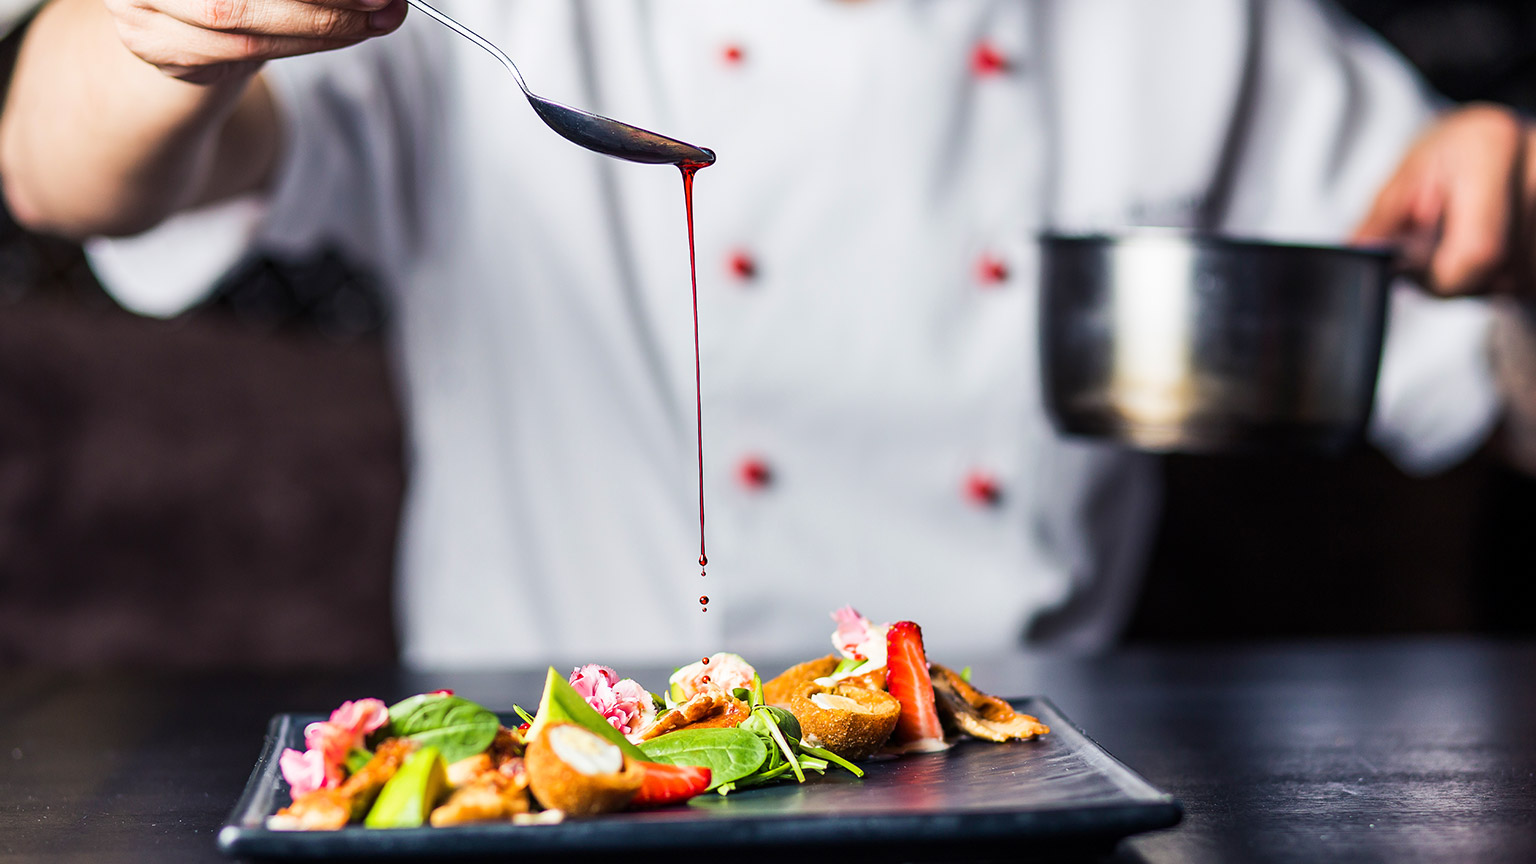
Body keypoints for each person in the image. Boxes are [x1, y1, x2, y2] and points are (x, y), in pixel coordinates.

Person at [1, 0, 1532, 667]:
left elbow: (1491, 384)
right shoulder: (485, 15)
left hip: (1019, 787)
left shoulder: (1194, 28)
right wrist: (156, 30)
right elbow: (66, 172)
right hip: (543, 789)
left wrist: (1521, 240)